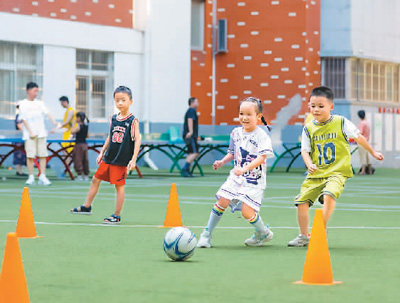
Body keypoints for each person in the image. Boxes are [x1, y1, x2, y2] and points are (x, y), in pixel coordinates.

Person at [288, 86, 384, 247]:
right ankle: (303, 236)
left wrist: (373, 152)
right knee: (301, 202)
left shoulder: (341, 122)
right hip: (316, 173)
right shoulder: (309, 128)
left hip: (336, 172)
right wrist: (309, 164)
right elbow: (305, 150)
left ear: (331, 107)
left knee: (329, 194)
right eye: (312, 106)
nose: (316, 109)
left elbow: (359, 138)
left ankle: (320, 228)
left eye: (320, 106)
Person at [197, 97, 275, 248]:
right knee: (222, 201)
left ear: (258, 117)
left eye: (249, 114)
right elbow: (232, 153)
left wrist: (245, 169)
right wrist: (222, 161)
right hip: (236, 177)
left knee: (247, 212)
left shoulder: (262, 136)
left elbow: (261, 158)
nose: (244, 118)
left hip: (254, 180)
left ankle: (263, 232)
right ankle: (206, 235)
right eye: (241, 113)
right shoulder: (235, 133)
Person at [70, 86, 141, 224]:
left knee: (119, 186)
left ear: (131, 101)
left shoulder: (133, 120)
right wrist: (102, 152)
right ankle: (87, 206)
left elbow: (138, 139)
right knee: (95, 179)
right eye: (117, 100)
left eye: (123, 100)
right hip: (109, 157)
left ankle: (117, 215)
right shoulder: (113, 118)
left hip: (121, 160)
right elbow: (110, 135)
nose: (120, 103)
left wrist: (133, 159)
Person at [19, 82, 59, 186]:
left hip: (41, 133)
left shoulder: (39, 103)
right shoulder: (23, 104)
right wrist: (31, 132)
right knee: (30, 156)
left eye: (37, 91)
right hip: (29, 135)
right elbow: (23, 119)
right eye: (34, 91)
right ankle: (31, 177)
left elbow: (47, 113)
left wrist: (54, 122)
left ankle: (43, 176)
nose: (36, 93)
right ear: (28, 91)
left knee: (43, 155)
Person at [181, 97, 199, 177]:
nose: (198, 103)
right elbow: (190, 120)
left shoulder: (190, 111)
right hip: (190, 135)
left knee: (190, 152)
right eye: (196, 102)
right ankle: (185, 168)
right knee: (195, 153)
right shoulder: (191, 110)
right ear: (192, 103)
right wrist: (191, 132)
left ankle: (187, 170)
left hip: (189, 135)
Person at [70, 112, 90, 181]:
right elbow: (88, 136)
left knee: (78, 159)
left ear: (79, 118)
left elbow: (72, 131)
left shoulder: (79, 126)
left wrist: (73, 124)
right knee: (85, 160)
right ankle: (86, 175)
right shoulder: (86, 126)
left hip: (79, 145)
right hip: (85, 145)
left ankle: (79, 175)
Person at [59, 96, 76, 166]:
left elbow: (67, 122)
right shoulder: (68, 111)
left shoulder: (70, 111)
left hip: (69, 134)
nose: (61, 105)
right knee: (66, 151)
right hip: (67, 133)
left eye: (62, 103)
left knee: (66, 151)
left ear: (65, 102)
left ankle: (68, 167)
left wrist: (58, 126)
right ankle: (67, 167)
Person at [13, 101, 27, 176]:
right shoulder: (19, 116)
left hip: (24, 138)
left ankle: (21, 171)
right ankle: (19, 171)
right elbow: (20, 127)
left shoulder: (24, 116)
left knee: (24, 155)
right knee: (19, 155)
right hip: (19, 139)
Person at [357, 110, 373, 175]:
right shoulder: (367, 123)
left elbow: (359, 133)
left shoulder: (362, 123)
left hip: (361, 142)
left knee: (362, 156)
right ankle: (370, 170)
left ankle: (363, 171)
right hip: (367, 141)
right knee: (367, 156)